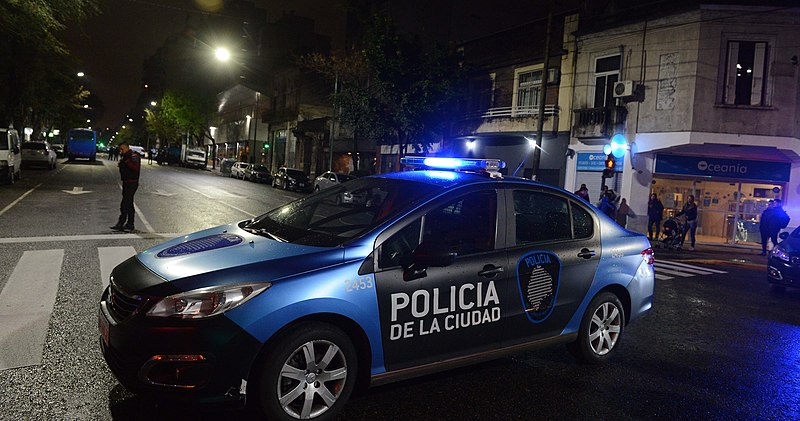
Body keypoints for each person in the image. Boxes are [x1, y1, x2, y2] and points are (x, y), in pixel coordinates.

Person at [110, 142, 141, 232]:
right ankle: (130, 223)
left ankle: (121, 223)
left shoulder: (133, 156)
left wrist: (126, 162)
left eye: (122, 149)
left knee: (125, 204)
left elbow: (135, 168)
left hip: (132, 183)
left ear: (126, 148)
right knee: (129, 203)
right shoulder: (125, 157)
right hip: (126, 182)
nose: (120, 151)